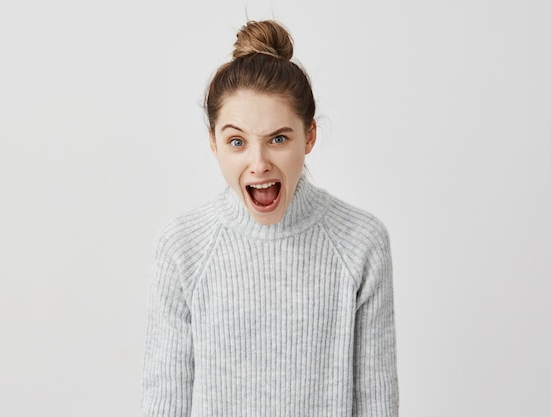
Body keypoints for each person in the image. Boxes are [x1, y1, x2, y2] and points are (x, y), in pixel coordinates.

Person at [142, 20, 398, 416]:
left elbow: (377, 405)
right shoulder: (183, 248)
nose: (258, 164)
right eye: (237, 142)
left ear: (309, 136)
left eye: (278, 139)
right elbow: (164, 402)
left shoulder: (361, 244)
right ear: (214, 143)